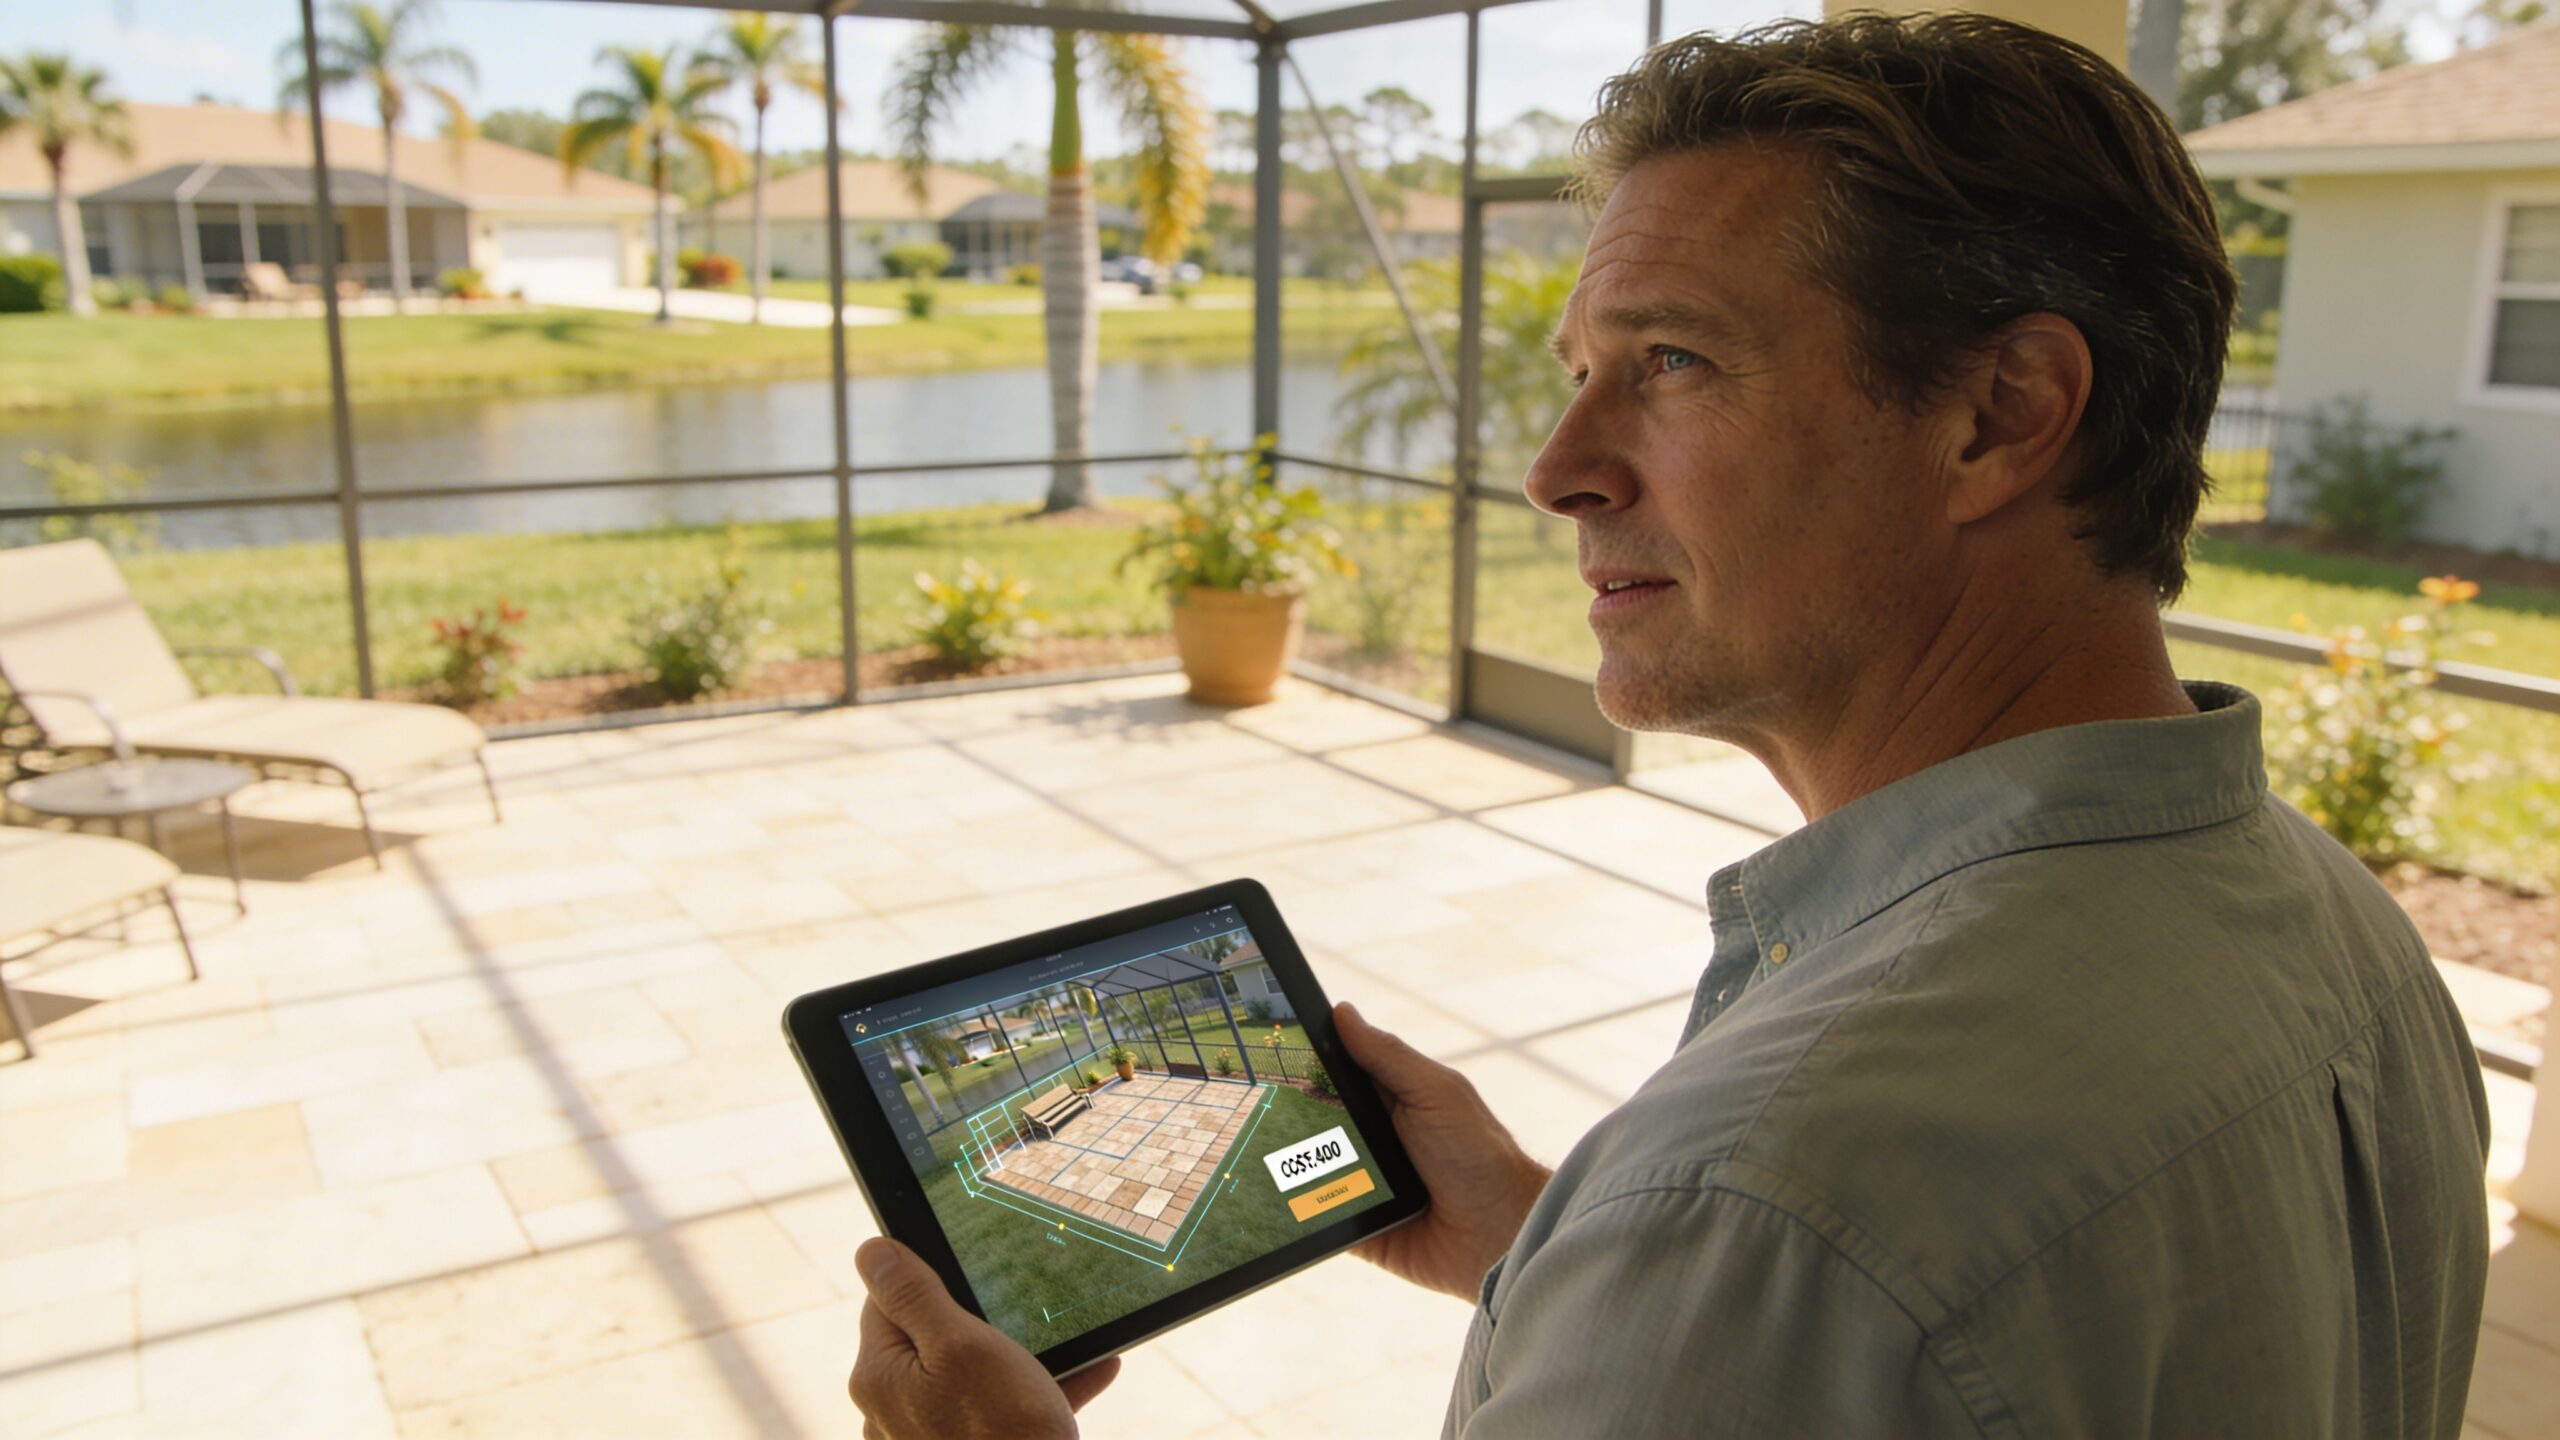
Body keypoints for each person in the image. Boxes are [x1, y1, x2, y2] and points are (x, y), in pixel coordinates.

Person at [845, 15, 2492, 1437]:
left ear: (2000, 417)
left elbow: (1830, 1273)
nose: (1559, 465)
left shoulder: (1771, 1208)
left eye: (1674, 360)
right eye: (1579, 368)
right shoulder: (2347, 939)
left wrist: (1665, 1259)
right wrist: (1560, 1254)